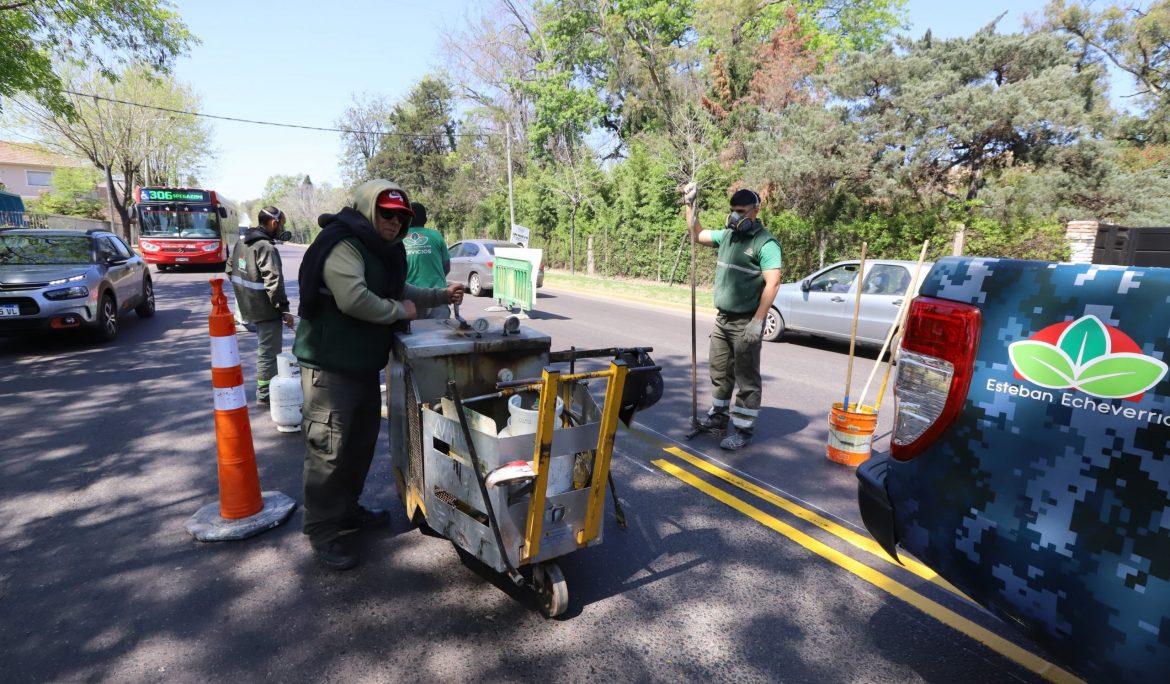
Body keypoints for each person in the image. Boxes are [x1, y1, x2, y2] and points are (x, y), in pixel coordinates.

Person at [292, 180, 465, 571]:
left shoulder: (383, 250)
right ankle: (322, 531)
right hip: (329, 367)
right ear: (370, 210)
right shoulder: (344, 244)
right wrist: (399, 312)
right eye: (386, 214)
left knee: (359, 447)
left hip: (363, 366)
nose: (393, 222)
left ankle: (347, 511)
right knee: (328, 452)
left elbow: (396, 287)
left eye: (401, 216)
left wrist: (439, 295)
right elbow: (354, 298)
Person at [686, 188, 782, 451]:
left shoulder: (766, 243)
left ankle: (743, 431)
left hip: (745, 323)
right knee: (719, 372)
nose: (735, 216)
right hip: (723, 321)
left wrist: (757, 321)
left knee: (746, 379)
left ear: (755, 210)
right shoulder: (728, 236)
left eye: (741, 211)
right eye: (733, 210)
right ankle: (717, 418)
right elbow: (697, 234)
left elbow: (773, 284)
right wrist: (690, 205)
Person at [226, 206, 295, 405]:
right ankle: (265, 393)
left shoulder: (242, 241)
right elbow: (274, 282)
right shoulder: (266, 247)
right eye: (281, 224)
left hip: (247, 305)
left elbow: (230, 269)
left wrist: (246, 294)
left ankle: (266, 390)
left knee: (264, 349)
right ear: (274, 223)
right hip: (265, 309)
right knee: (269, 352)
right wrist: (283, 310)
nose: (282, 228)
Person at [402, 201, 452, 319]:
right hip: (438, 297)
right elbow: (446, 266)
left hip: (410, 300)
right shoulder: (436, 235)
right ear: (425, 219)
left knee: (413, 336)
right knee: (440, 335)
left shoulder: (399, 237)